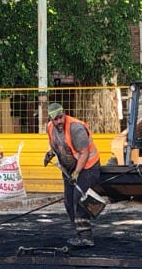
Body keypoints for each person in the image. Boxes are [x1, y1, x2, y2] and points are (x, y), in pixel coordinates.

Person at [43, 101, 101, 248]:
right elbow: (55, 144)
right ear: (50, 120)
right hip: (69, 169)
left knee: (78, 198)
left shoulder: (76, 128)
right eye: (55, 119)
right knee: (68, 202)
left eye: (61, 117)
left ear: (64, 114)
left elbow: (84, 153)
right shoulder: (50, 128)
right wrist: (50, 153)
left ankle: (87, 237)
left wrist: (76, 173)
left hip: (88, 167)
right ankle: (80, 232)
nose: (59, 121)